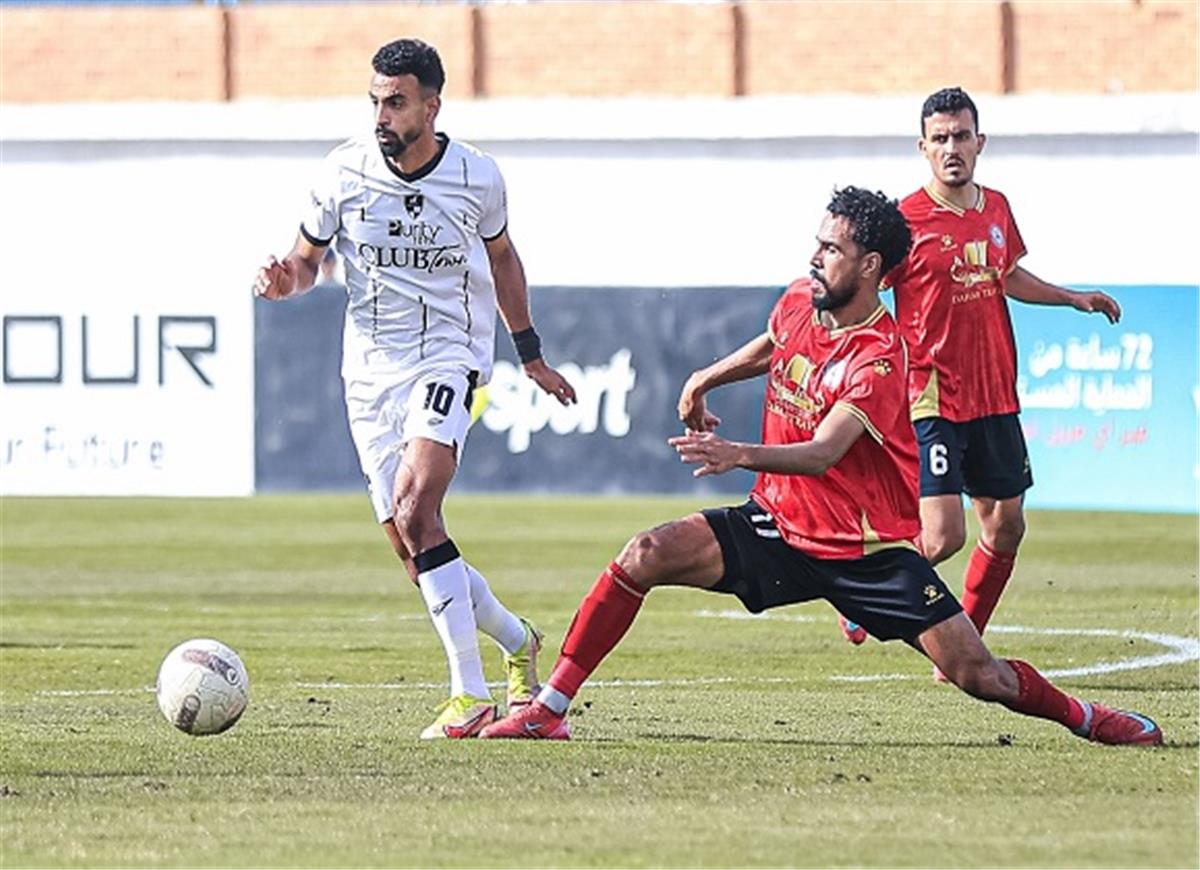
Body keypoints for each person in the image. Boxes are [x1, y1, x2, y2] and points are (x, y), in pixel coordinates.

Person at [478, 186, 1161, 746]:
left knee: (978, 674)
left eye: (831, 249)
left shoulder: (881, 357)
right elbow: (775, 343)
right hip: (775, 525)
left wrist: (738, 452)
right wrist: (705, 379)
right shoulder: (803, 300)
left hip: (862, 554)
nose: (815, 257)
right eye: (818, 242)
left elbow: (825, 451)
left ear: (868, 268)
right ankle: (549, 708)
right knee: (645, 553)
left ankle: (1089, 719)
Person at [253, 38, 577, 739]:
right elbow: (307, 260)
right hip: (367, 371)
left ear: (431, 106)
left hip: (447, 354)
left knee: (416, 503)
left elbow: (503, 259)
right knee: (411, 542)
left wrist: (530, 354)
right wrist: (286, 279)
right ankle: (517, 638)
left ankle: (471, 695)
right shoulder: (342, 172)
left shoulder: (476, 176)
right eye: (374, 100)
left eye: (395, 102)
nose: (381, 115)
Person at [838, 87, 1123, 653]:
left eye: (961, 136)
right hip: (933, 395)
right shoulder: (903, 222)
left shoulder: (996, 208)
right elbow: (866, 291)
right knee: (943, 537)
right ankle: (862, 595)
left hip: (995, 392)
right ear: (923, 147)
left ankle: (964, 646)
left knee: (1007, 526)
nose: (952, 148)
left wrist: (1072, 298)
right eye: (940, 138)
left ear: (979, 142)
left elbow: (1007, 276)